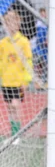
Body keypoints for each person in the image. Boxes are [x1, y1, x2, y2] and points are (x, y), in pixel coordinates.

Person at [0, 10, 32, 140]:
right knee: (9, 107)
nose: (10, 25)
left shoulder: (23, 42)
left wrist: (26, 80)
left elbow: (28, 61)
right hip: (6, 81)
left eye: (13, 22)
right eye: (8, 23)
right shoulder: (3, 43)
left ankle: (17, 133)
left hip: (18, 81)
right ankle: (13, 131)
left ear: (18, 24)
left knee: (15, 105)